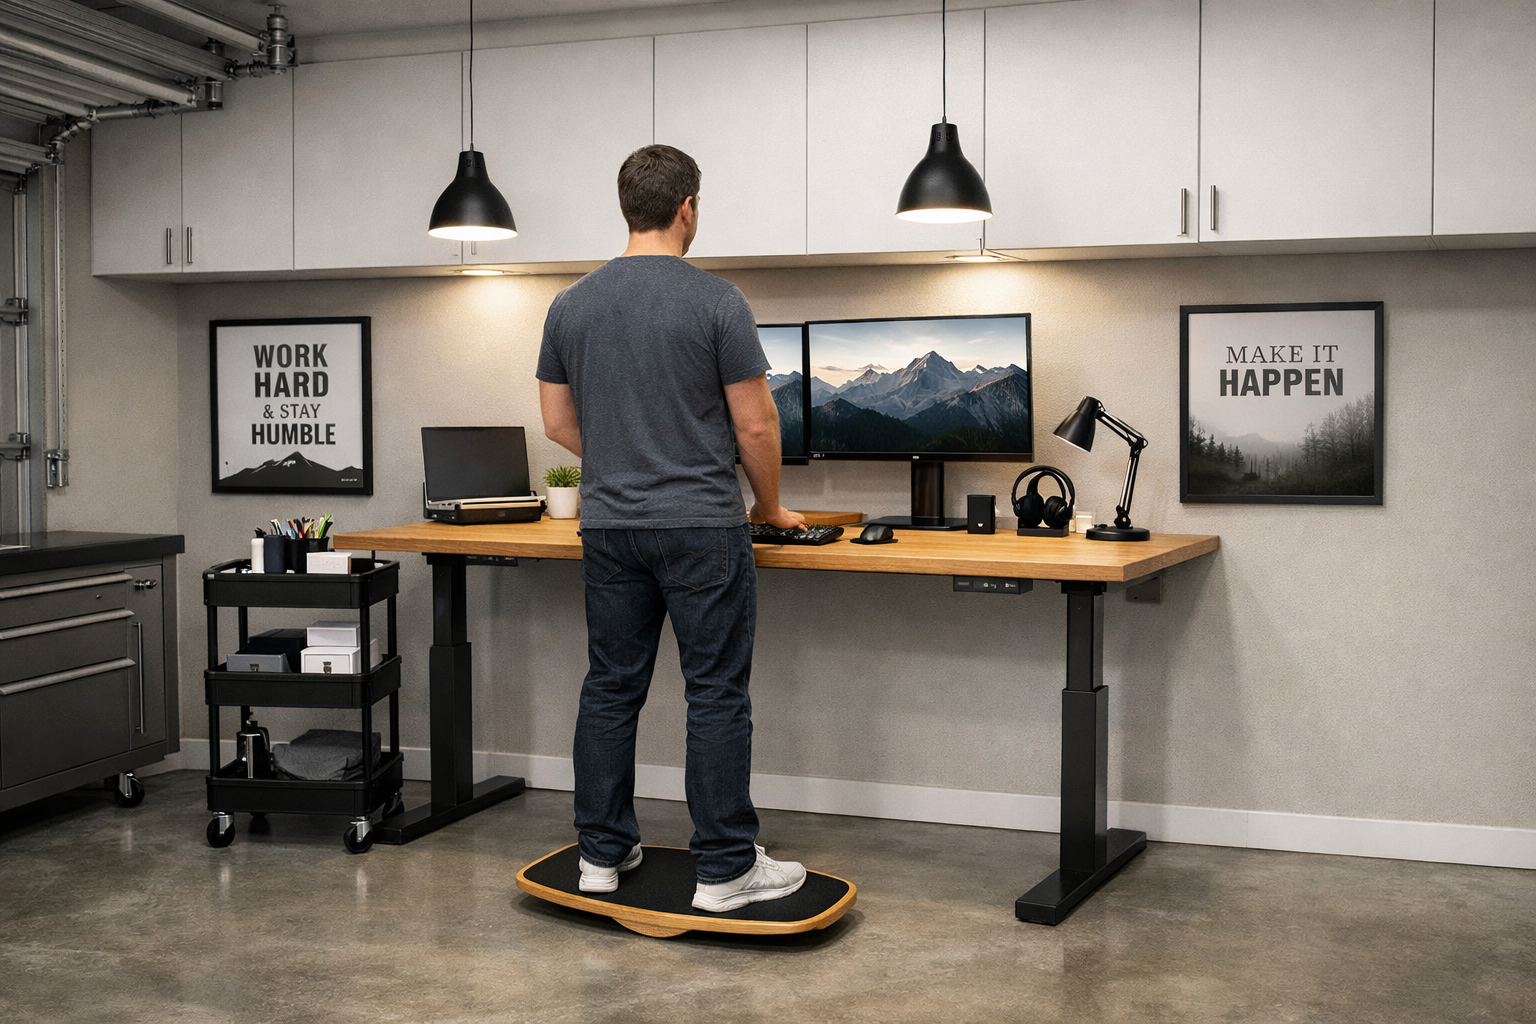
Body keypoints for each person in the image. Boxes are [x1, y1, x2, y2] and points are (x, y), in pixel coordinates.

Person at [536, 144, 808, 912]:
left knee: (611, 689)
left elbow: (556, 422)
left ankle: (599, 854)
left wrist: (625, 452)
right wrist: (772, 509)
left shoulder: (570, 305)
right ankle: (724, 871)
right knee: (716, 692)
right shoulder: (717, 301)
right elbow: (755, 427)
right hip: (700, 526)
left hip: (611, 527)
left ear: (627, 207)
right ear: (687, 207)